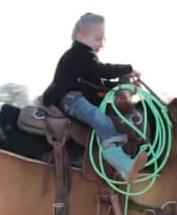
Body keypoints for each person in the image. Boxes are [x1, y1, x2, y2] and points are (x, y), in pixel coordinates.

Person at [42, 12, 149, 183]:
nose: (102, 44)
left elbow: (98, 85)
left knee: (104, 118)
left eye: (104, 39)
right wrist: (127, 68)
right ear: (80, 36)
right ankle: (122, 164)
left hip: (76, 96)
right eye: (98, 39)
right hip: (69, 99)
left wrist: (124, 85)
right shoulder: (80, 54)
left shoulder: (84, 61)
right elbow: (102, 71)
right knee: (101, 120)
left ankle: (122, 161)